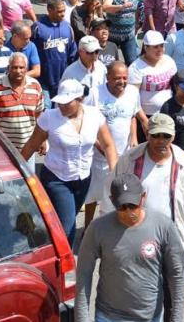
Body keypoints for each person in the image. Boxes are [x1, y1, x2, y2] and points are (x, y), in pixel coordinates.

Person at [75, 173, 184, 322]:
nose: (129, 212)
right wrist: (81, 318)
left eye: (133, 205)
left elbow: (178, 273)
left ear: (143, 197)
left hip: (150, 316)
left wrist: (177, 317)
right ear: (111, 201)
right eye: (122, 206)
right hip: (108, 316)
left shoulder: (163, 226)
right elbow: (83, 273)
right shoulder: (97, 228)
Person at [21, 79, 118, 246]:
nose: (62, 106)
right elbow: (31, 145)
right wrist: (17, 172)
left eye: (67, 103)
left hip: (83, 179)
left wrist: (115, 172)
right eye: (60, 103)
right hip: (56, 179)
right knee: (68, 228)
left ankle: (45, 244)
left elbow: (108, 144)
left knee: (65, 219)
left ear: (80, 99)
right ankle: (61, 266)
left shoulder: (95, 116)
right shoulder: (49, 118)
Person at [113, 112, 184, 258]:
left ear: (173, 136)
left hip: (171, 237)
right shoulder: (129, 160)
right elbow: (114, 196)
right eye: (156, 135)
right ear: (147, 134)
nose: (160, 141)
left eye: (166, 136)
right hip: (135, 236)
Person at [83, 61, 144, 223]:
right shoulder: (95, 94)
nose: (122, 82)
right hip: (98, 158)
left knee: (116, 194)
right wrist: (99, 144)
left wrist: (134, 137)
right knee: (93, 196)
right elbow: (85, 122)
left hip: (123, 156)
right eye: (117, 78)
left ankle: (112, 225)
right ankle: (88, 227)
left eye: (125, 78)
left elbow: (132, 116)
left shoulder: (132, 92)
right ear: (107, 78)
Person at [0, 52, 45, 171]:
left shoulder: (35, 86)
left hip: (29, 146)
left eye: (21, 67)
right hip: (4, 149)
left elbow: (39, 115)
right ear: (8, 68)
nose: (18, 71)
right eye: (14, 67)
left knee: (27, 184)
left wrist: (42, 140)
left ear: (26, 68)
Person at [128, 30, 178, 131]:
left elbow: (176, 86)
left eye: (161, 46)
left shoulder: (169, 61)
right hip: (147, 116)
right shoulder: (136, 67)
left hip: (168, 113)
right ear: (146, 48)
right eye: (155, 47)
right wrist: (143, 120)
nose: (160, 49)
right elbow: (132, 98)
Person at [32, 0, 78, 99]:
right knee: (47, 109)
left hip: (63, 78)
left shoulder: (67, 27)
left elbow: (72, 53)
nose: (62, 14)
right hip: (43, 79)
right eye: (59, 11)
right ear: (49, 10)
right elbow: (31, 52)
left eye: (64, 11)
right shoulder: (38, 27)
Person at [103, 0, 140, 64]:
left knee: (132, 63)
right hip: (112, 36)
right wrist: (121, 6)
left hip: (129, 35)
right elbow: (105, 7)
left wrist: (136, 25)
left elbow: (135, 11)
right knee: (110, 63)